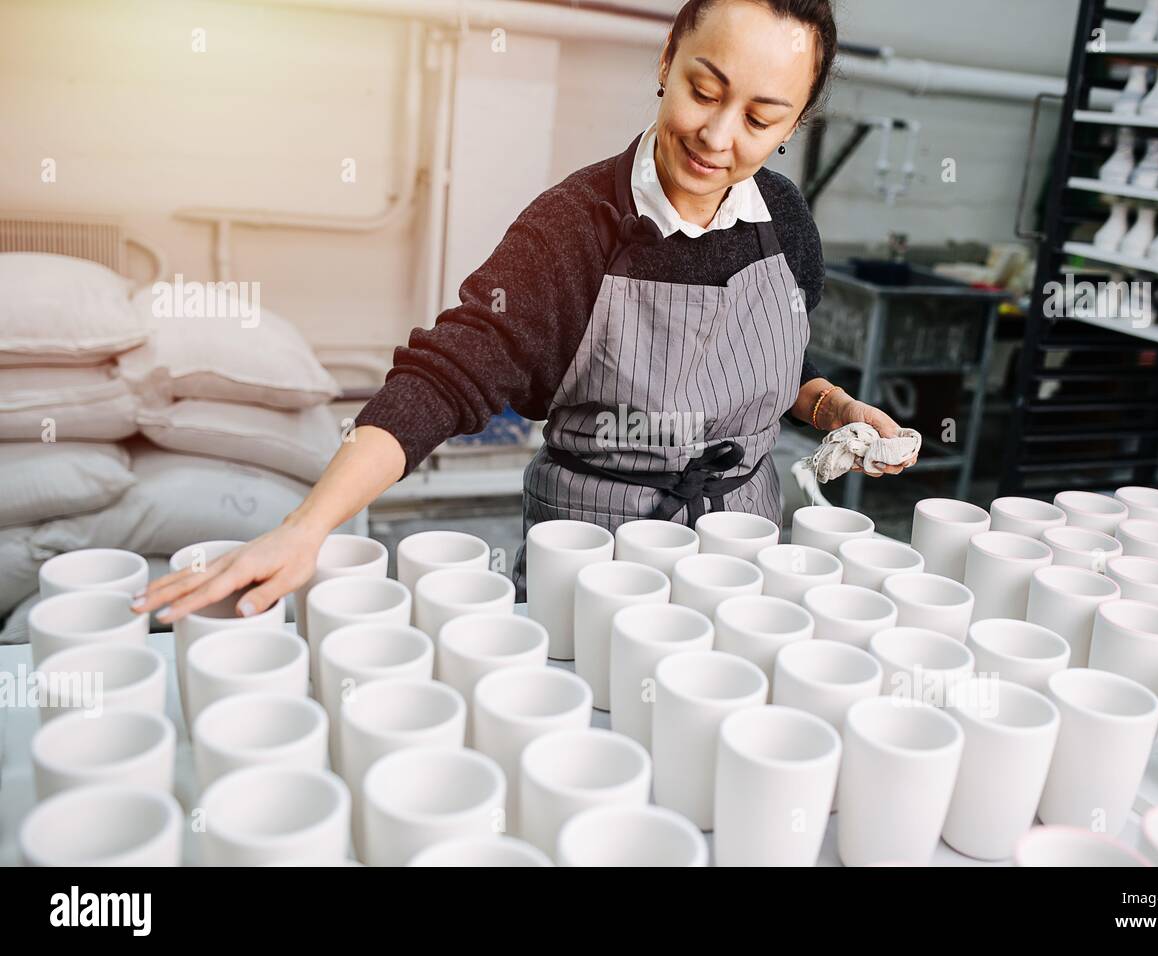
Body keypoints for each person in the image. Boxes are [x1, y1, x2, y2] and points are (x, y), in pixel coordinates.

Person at [136, 0, 916, 624]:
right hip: (592, 566)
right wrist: (308, 525)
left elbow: (778, 371)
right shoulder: (574, 226)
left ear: (795, 122)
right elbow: (446, 374)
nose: (716, 135)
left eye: (759, 118)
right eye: (703, 91)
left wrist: (834, 405)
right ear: (667, 58)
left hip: (740, 558)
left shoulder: (784, 220)